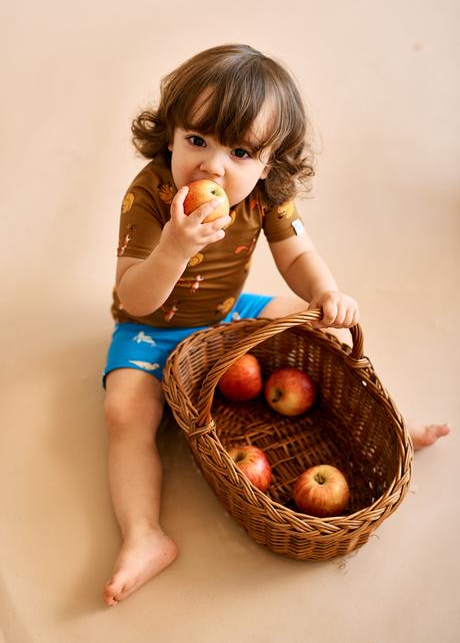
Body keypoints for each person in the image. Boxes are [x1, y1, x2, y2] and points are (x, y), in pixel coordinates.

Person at [102, 44, 449, 606]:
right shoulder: (151, 195)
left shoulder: (266, 195)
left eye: (240, 152)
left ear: (268, 164)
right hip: (155, 325)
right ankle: (144, 535)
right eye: (197, 141)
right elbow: (134, 295)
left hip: (231, 312)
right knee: (124, 414)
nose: (212, 166)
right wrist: (172, 247)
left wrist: (325, 292)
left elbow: (296, 255)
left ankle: (386, 426)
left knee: (317, 332)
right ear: (170, 135)